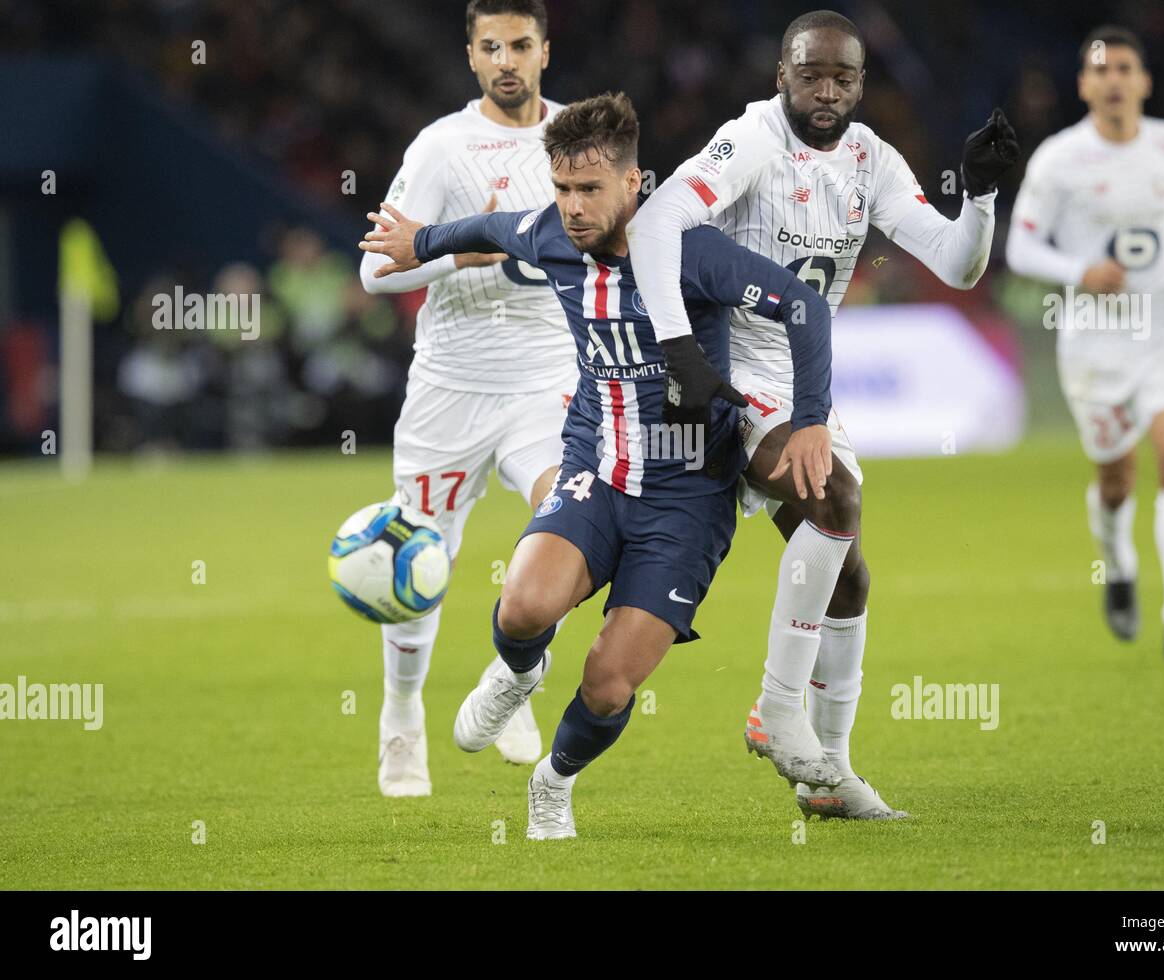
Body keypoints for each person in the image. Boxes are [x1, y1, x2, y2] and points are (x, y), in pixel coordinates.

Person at [360, 92, 835, 839]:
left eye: (589, 189)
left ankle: (554, 781)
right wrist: (422, 241)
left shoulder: (692, 251)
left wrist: (810, 422)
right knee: (522, 609)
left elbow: (804, 307)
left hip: (686, 502)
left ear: (633, 184)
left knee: (610, 684)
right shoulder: (548, 234)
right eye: (562, 188)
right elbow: (487, 228)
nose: (573, 207)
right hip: (596, 470)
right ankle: (520, 672)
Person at [625, 9, 1019, 818]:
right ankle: (776, 709)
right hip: (729, 379)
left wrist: (978, 197)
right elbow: (657, 219)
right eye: (812, 75)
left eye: (843, 78)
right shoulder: (753, 141)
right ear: (782, 76)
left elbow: (958, 263)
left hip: (805, 379)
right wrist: (680, 351)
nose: (827, 91)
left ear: (862, 84)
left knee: (851, 578)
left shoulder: (873, 160)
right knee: (835, 497)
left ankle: (830, 777)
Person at [358, 0, 573, 796]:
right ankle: (401, 716)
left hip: (545, 381)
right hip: (450, 387)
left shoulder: (574, 138)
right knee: (422, 560)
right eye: (493, 47)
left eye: (522, 44)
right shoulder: (442, 148)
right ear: (472, 57)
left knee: (570, 525)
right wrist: (462, 257)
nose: (508, 59)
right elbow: (374, 271)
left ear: (546, 50)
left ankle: (513, 677)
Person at [1005, 25, 1164, 656]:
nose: (1113, 80)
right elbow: (1021, 245)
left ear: (1143, 81)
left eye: (1124, 68)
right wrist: (1081, 272)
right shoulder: (1058, 159)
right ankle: (1119, 564)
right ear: (1083, 85)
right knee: (1116, 480)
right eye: (1100, 70)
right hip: (1097, 342)